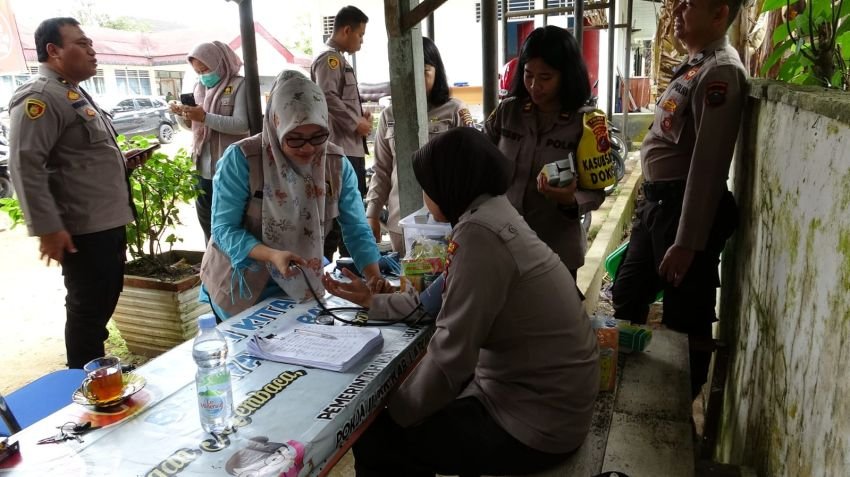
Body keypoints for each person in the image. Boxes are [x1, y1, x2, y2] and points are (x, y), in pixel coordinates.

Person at [322, 128, 599, 477]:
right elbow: (433, 301)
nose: (425, 194)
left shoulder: (480, 235)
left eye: (427, 184)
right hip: (552, 404)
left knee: (377, 438)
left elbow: (451, 355)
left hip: (534, 423)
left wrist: (392, 412)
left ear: (450, 183)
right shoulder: (494, 213)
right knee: (408, 414)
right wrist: (373, 301)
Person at [611, 0, 746, 399]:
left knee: (686, 316)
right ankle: (627, 386)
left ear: (719, 13)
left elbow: (708, 164)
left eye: (689, 5)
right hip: (658, 207)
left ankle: (676, 406)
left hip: (683, 209)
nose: (679, 11)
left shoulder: (720, 70)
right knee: (628, 293)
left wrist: (687, 241)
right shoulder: (697, 64)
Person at [8, 17, 154, 368]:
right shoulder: (39, 97)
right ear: (53, 51)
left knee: (101, 302)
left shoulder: (71, 91)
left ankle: (96, 370)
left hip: (104, 221)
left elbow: (78, 157)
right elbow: (25, 165)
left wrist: (124, 162)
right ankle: (85, 384)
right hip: (83, 229)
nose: (92, 51)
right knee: (88, 311)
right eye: (82, 44)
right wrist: (47, 227)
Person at [199, 71, 382, 319]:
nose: (308, 148)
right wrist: (272, 255)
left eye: (318, 136)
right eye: (294, 138)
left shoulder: (335, 164)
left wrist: (374, 277)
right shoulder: (243, 159)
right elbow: (223, 230)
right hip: (242, 287)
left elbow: (356, 228)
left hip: (304, 284)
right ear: (276, 126)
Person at [485, 26, 605, 279]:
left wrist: (570, 201)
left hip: (557, 250)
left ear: (566, 75)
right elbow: (480, 158)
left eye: (546, 77)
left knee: (556, 317)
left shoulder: (585, 123)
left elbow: (595, 192)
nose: (534, 85)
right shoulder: (508, 113)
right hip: (506, 244)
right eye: (528, 74)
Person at [365, 37, 474, 255]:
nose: (414, 80)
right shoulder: (390, 115)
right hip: (400, 225)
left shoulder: (455, 111)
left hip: (444, 223)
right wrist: (372, 214)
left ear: (437, 72)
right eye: (407, 73)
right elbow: (382, 170)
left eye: (423, 71)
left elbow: (470, 169)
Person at [170, 41, 250, 244]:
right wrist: (182, 114)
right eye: (198, 71)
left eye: (205, 69)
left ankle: (232, 271)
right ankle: (213, 269)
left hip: (231, 171)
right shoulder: (200, 87)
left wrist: (204, 117)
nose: (203, 75)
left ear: (219, 63)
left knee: (231, 228)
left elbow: (242, 125)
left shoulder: (240, 85)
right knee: (209, 228)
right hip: (202, 169)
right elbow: (193, 127)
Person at [311, 5, 371, 260]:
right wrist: (355, 123)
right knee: (339, 217)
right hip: (340, 150)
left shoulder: (338, 59)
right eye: (360, 34)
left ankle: (351, 268)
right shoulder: (330, 59)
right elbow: (326, 95)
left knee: (350, 213)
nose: (361, 40)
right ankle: (330, 271)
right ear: (347, 30)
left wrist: (360, 117)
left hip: (349, 147)